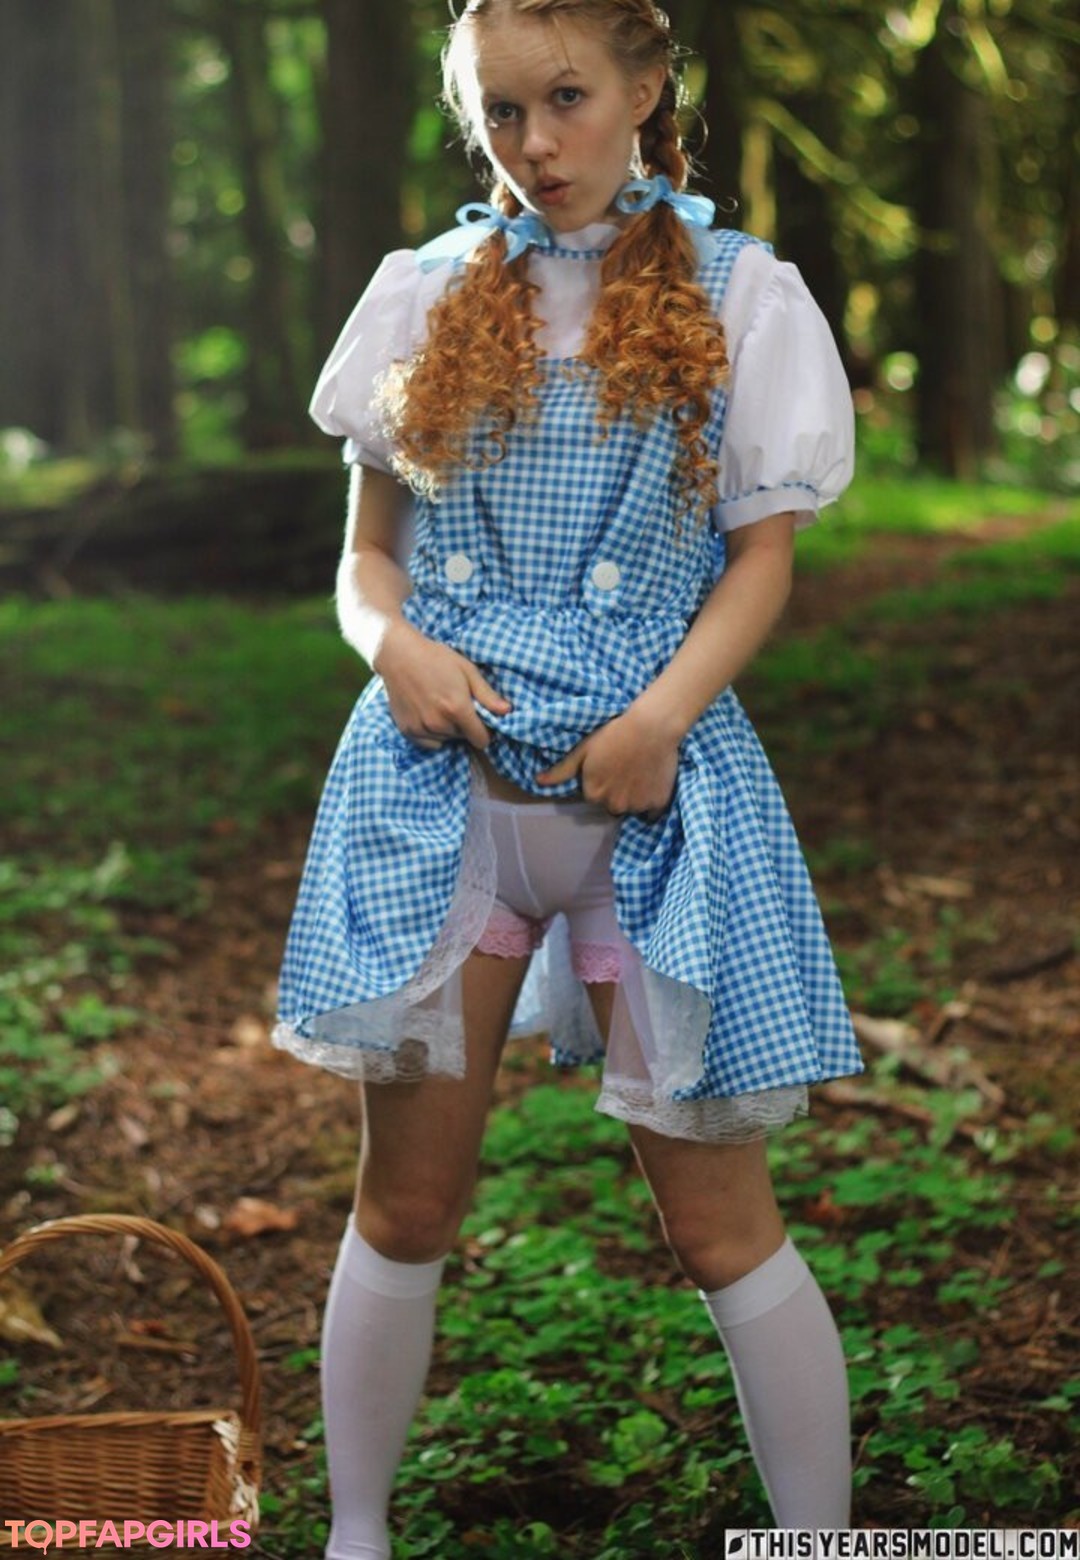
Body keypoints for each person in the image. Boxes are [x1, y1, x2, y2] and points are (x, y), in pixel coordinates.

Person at [274, 1, 864, 1552]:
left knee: (722, 1227)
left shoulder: (742, 296)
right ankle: (355, 1533)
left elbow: (760, 561)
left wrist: (664, 716)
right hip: (441, 796)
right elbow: (367, 560)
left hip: (649, 800)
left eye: (569, 98)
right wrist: (388, 646)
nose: (534, 145)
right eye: (501, 112)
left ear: (649, 85)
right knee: (406, 1205)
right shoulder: (424, 291)